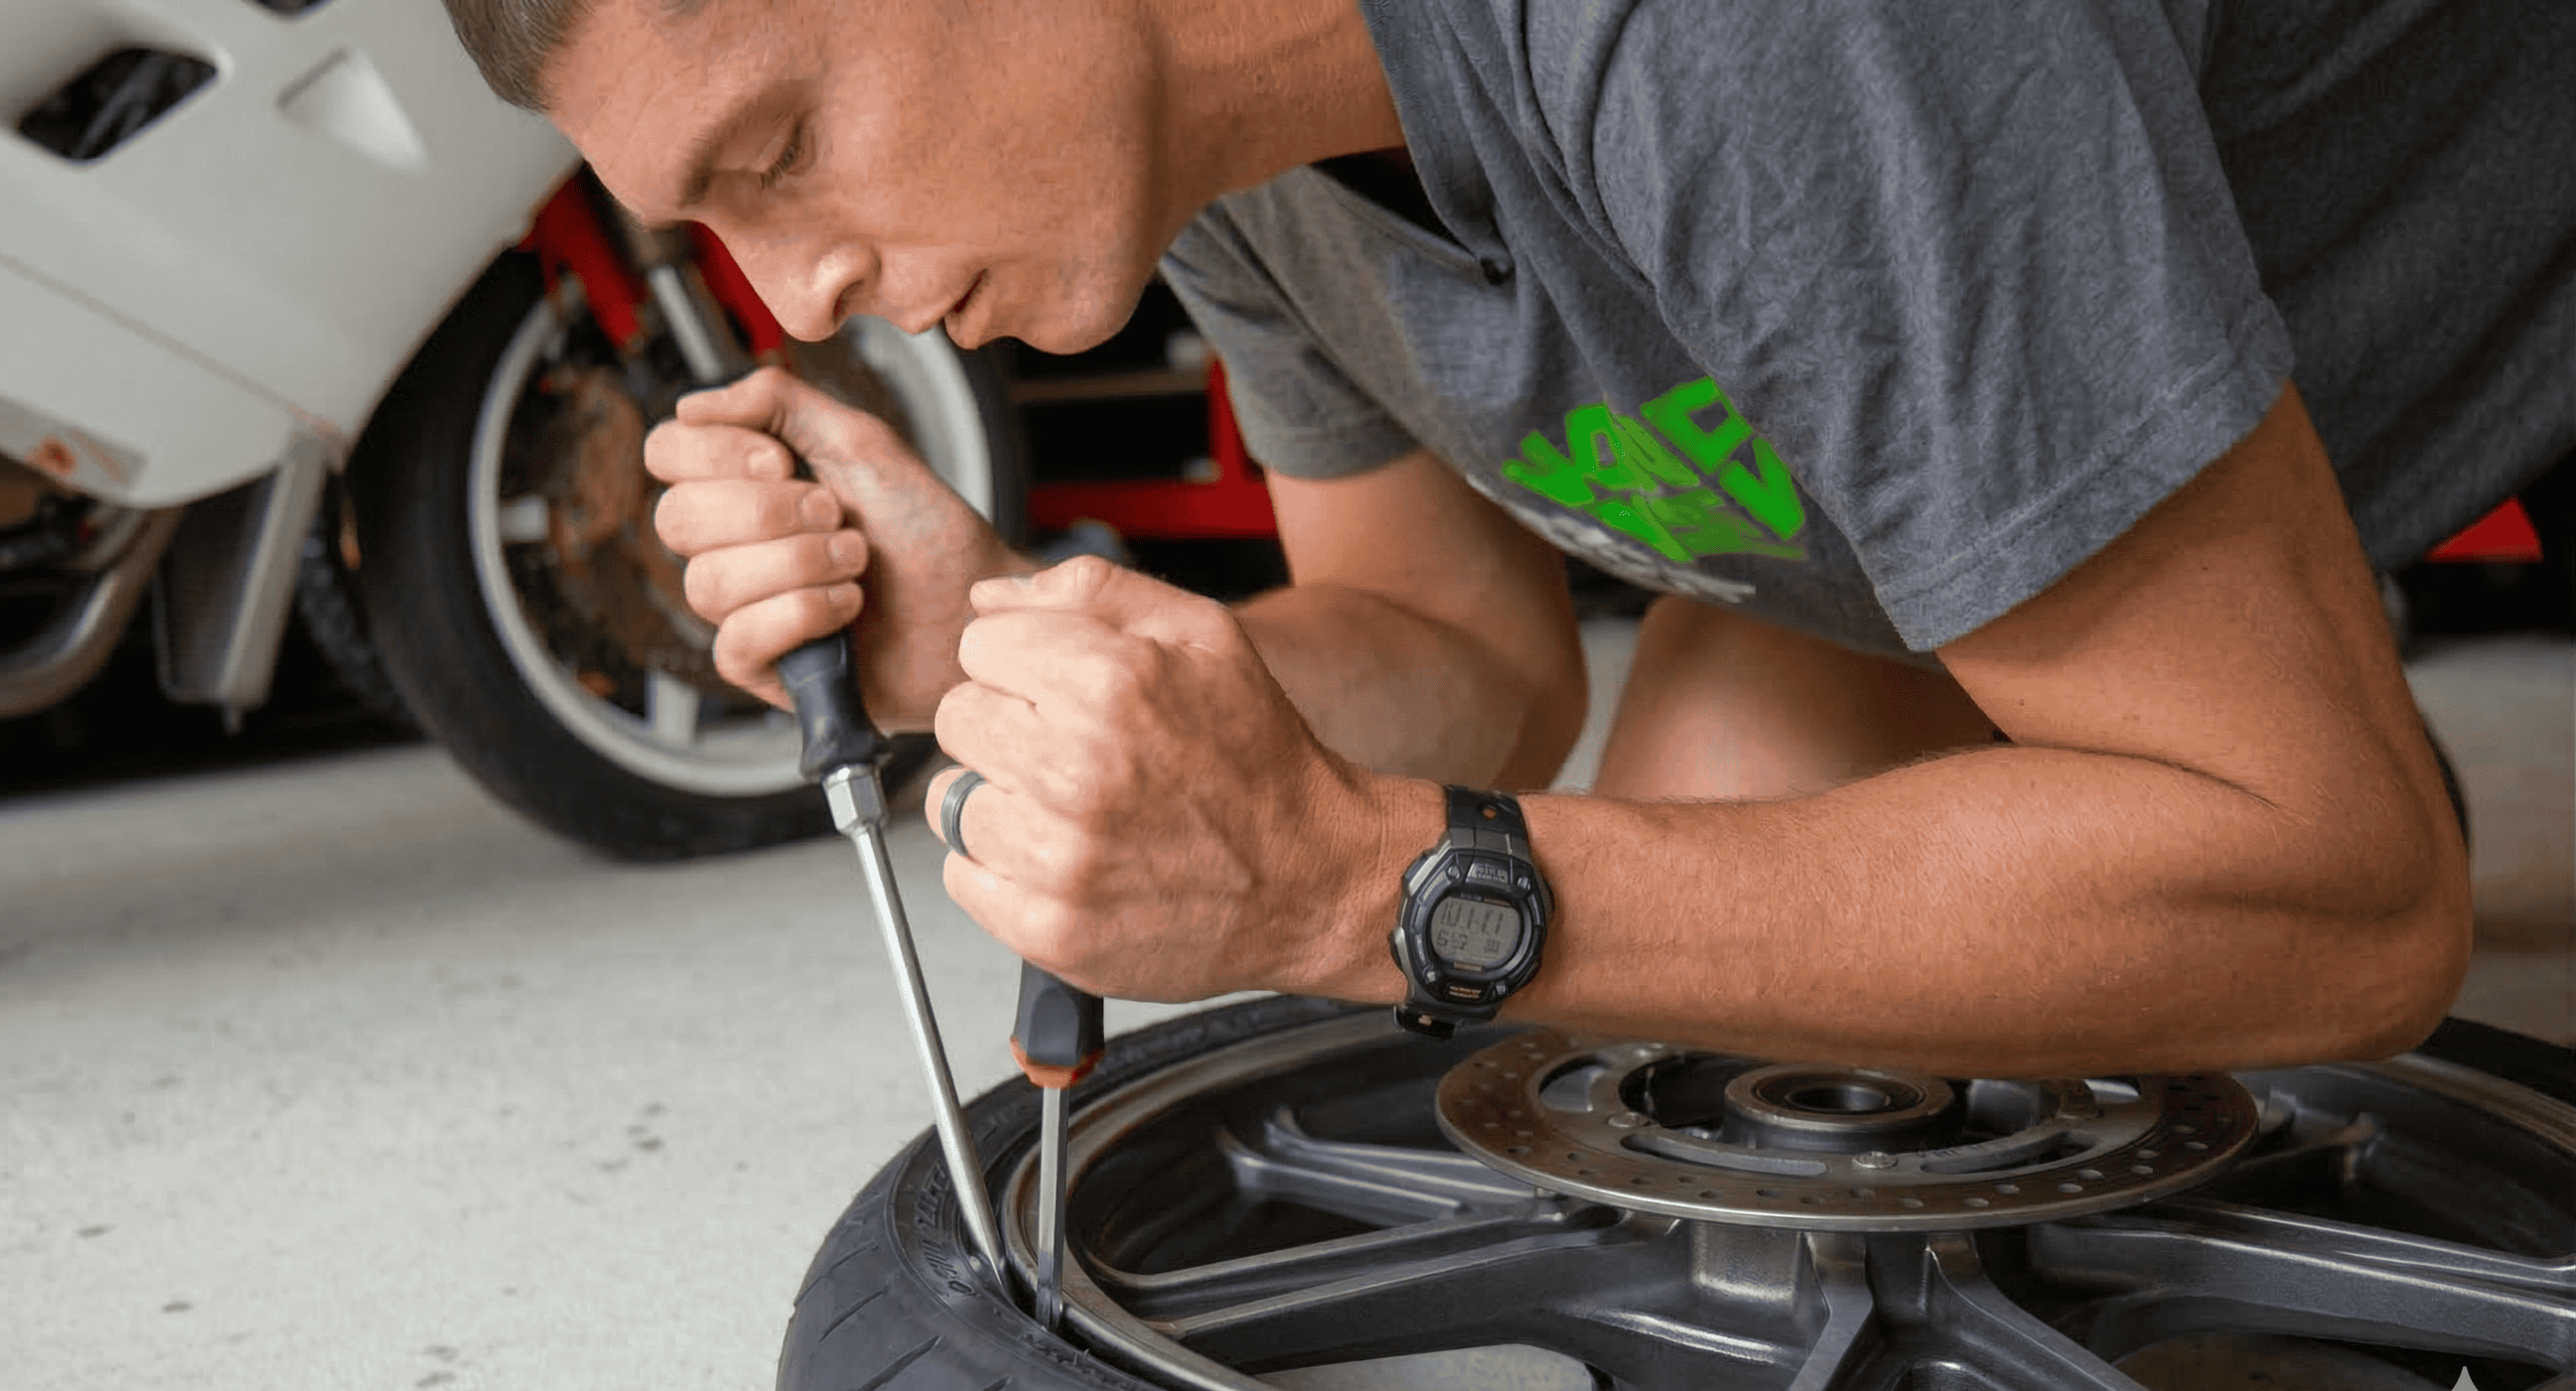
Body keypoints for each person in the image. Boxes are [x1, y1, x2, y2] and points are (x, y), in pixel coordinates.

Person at [440, 0, 2572, 1076]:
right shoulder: (1201, 140)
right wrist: (988, 631)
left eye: (785, 148)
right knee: (1711, 936)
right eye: (712, 222)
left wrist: (1377, 894)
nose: (794, 302)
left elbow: (2357, 893)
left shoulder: (1731, 41)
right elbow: (1452, 646)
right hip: (2149, 484)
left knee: (2228, 880)